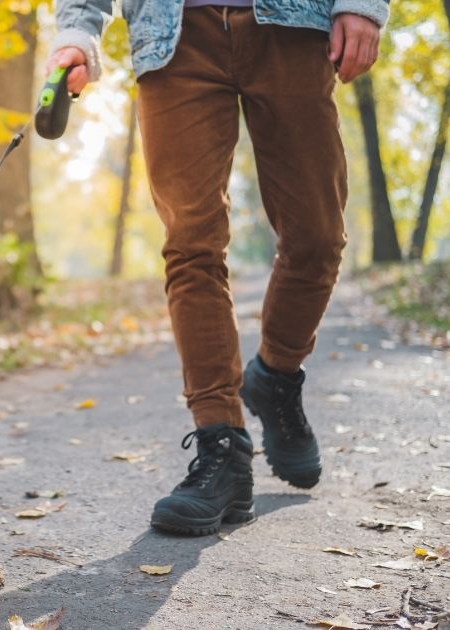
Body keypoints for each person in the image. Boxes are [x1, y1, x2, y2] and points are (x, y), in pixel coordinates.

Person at [45, 0, 386, 536]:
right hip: (172, 37)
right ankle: (221, 445)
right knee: (191, 245)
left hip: (291, 26)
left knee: (317, 237)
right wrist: (75, 32)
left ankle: (275, 375)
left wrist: (362, 5)